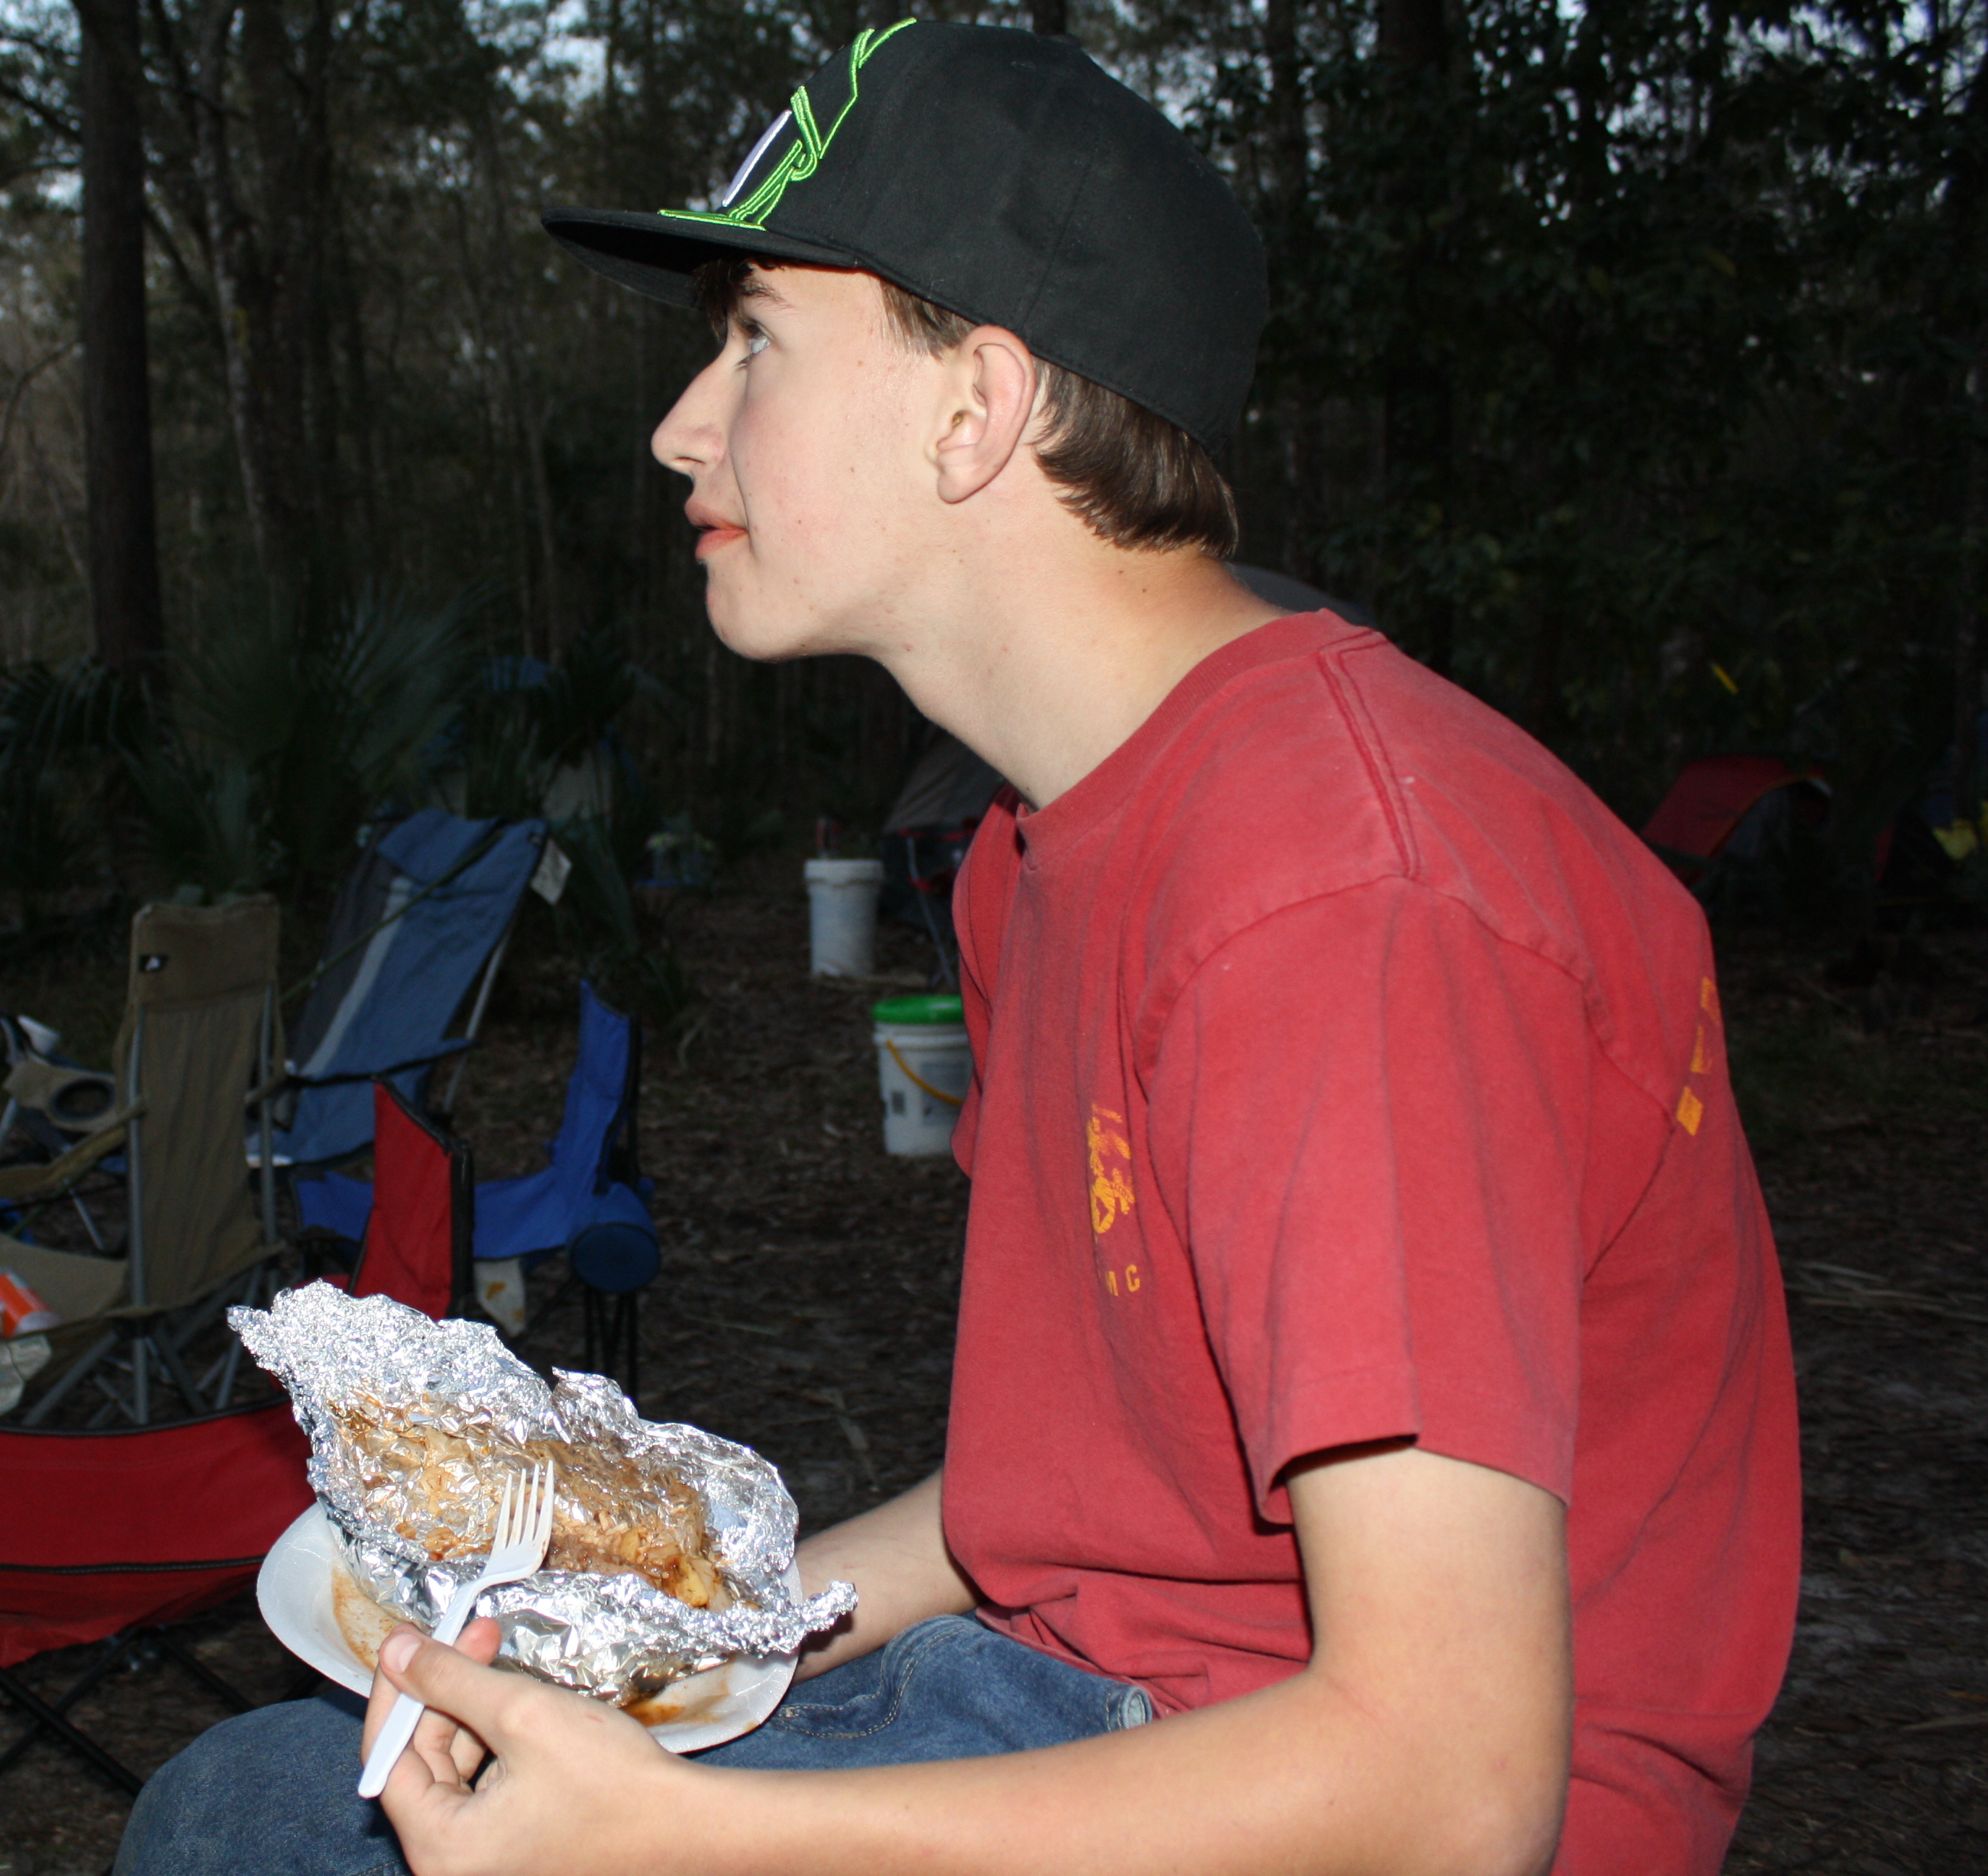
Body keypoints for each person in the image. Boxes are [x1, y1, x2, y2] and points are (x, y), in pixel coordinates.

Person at [114, 21, 1799, 1876]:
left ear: (975, 407)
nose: (682, 424)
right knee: (253, 1806)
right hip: (1075, 1684)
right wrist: (664, 1655)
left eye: (756, 338)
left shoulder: (1341, 896)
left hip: (1326, 1796)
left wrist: (679, 1840)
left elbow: (1454, 1793)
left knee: (263, 1838)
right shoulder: (1043, 850)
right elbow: (1049, 1506)